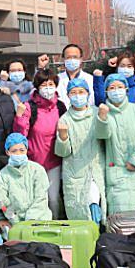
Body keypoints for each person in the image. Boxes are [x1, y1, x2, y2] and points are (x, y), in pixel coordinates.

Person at [95, 73, 135, 214]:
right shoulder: (104, 113)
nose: (116, 91)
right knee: (120, 216)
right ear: (106, 91)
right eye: (112, 88)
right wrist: (102, 119)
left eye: (120, 87)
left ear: (126, 89)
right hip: (117, 172)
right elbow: (102, 135)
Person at [13, 69, 65, 218]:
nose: (47, 88)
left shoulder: (60, 107)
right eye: (43, 85)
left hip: (54, 161)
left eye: (51, 84)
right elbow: (20, 135)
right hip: (34, 161)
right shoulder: (30, 107)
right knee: (36, 199)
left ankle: (56, 223)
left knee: (53, 199)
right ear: (37, 87)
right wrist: (19, 117)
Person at [55, 78, 107, 224]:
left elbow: (104, 136)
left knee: (96, 203)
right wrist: (63, 137)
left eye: (81, 92)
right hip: (75, 170)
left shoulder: (96, 113)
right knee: (79, 209)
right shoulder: (64, 119)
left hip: (96, 167)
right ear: (68, 95)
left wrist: (103, 119)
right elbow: (62, 152)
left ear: (88, 93)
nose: (78, 96)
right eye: (73, 92)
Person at [0, 133, 51, 236]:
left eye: (22, 150)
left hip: (40, 221)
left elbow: (41, 199)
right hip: (15, 224)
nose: (18, 154)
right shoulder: (3, 175)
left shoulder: (37, 170)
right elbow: (3, 204)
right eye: (14, 151)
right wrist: (16, 222)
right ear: (7, 152)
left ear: (26, 150)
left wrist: (30, 221)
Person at [56, 43, 95, 108]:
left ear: (81, 59)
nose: (72, 60)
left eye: (75, 57)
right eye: (68, 57)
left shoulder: (90, 79)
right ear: (63, 60)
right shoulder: (57, 79)